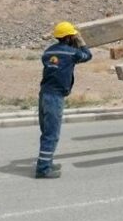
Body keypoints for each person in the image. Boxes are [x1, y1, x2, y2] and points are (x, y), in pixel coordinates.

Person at [35, 21, 92, 179]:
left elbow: (57, 61)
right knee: (51, 134)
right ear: (68, 38)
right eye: (72, 36)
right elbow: (88, 56)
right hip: (55, 96)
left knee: (46, 131)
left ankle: (46, 162)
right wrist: (81, 42)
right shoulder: (71, 53)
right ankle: (43, 169)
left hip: (44, 94)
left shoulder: (47, 52)